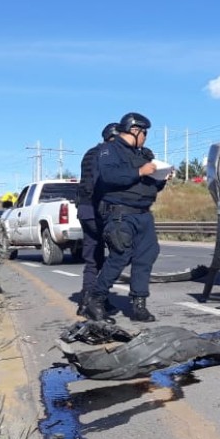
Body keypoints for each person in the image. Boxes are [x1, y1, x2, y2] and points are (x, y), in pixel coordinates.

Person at [84, 112, 166, 323]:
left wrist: (161, 178)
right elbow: (110, 176)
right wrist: (140, 171)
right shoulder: (109, 150)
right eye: (145, 133)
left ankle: (139, 305)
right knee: (120, 254)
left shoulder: (142, 154)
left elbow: (149, 184)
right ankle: (96, 299)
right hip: (120, 213)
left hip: (143, 214)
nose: (146, 138)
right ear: (135, 130)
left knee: (145, 257)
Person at [75, 122, 119, 316]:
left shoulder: (90, 153)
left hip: (84, 209)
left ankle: (85, 301)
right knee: (117, 255)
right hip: (99, 209)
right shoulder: (110, 154)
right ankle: (98, 300)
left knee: (93, 258)